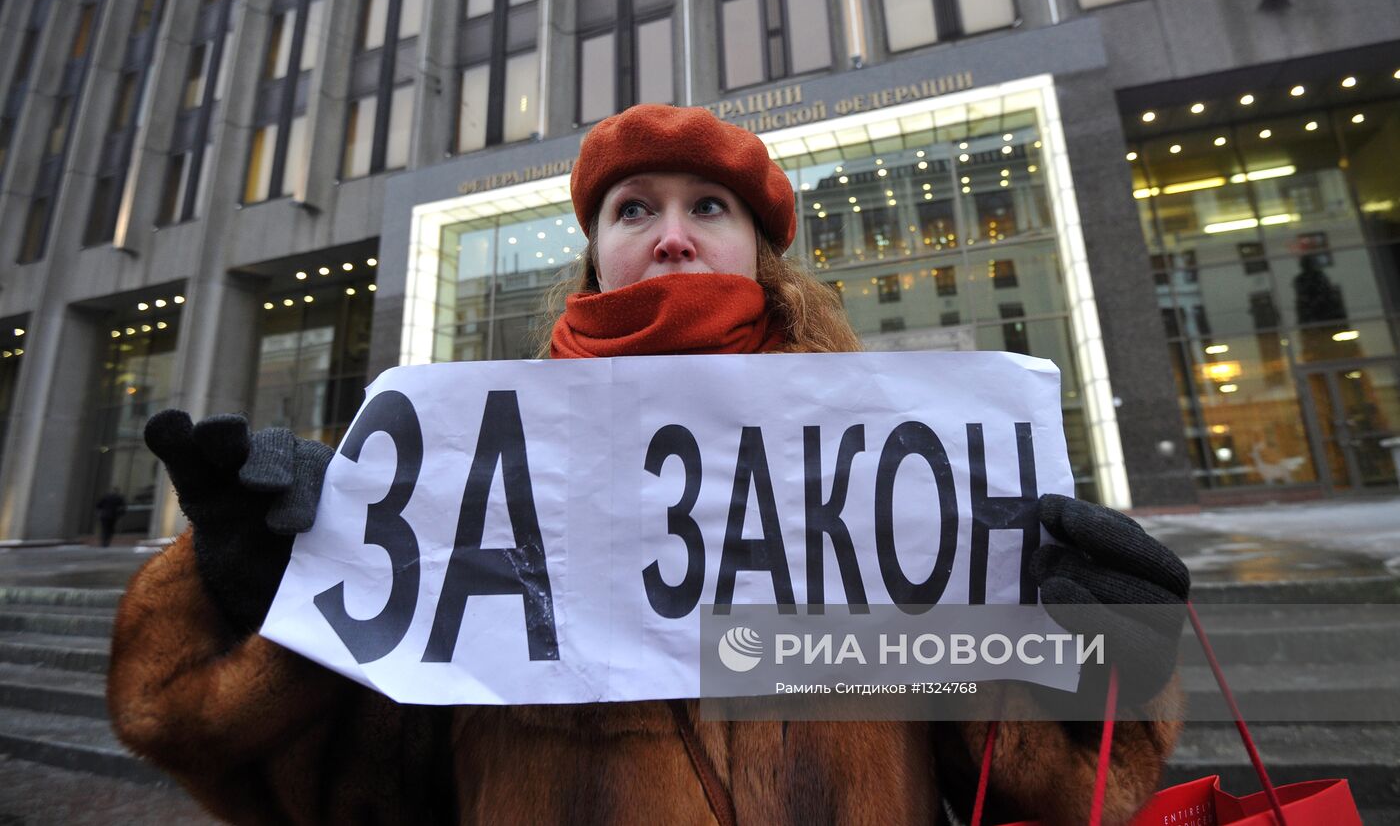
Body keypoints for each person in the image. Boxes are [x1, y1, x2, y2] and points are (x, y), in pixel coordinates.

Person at [108, 105, 1189, 825]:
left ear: (757, 256)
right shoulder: (475, 474)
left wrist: (1097, 670)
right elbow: (352, 792)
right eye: (635, 210)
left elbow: (1028, 789)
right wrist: (265, 599)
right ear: (594, 256)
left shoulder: (880, 474)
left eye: (704, 208)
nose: (670, 236)